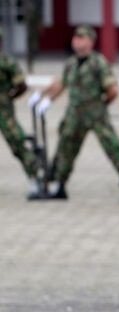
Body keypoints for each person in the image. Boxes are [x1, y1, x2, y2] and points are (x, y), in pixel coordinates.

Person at [27, 25, 119, 202]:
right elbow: (61, 83)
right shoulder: (71, 63)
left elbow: (113, 90)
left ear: (91, 42)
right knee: (66, 149)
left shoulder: (98, 62)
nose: (78, 42)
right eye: (76, 39)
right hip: (74, 114)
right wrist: (43, 97)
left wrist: (101, 104)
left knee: (112, 147)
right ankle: (60, 185)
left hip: (95, 114)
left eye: (82, 39)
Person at [0, 28, 41, 195]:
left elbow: (22, 85)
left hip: (4, 112)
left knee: (17, 142)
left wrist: (9, 97)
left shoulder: (7, 62)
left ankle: (34, 177)